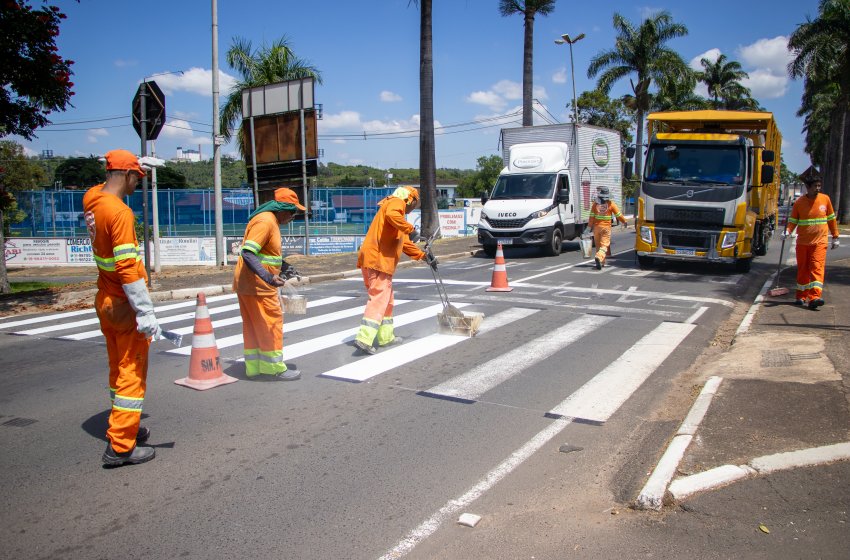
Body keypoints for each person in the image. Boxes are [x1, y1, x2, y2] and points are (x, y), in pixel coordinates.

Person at [83, 149, 163, 466]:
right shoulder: (120, 213)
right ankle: (120, 447)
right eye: (137, 178)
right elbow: (128, 269)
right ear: (127, 175)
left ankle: (124, 425)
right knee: (132, 371)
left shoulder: (92, 199)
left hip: (104, 300)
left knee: (117, 368)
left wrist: (132, 163)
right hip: (123, 304)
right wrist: (145, 312)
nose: (137, 184)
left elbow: (103, 184)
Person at [233, 187, 305, 380]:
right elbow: (248, 252)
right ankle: (273, 368)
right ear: (282, 210)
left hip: (249, 284)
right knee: (271, 324)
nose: (293, 217)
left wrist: (285, 266)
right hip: (259, 286)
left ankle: (255, 368)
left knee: (254, 327)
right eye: (292, 213)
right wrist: (268, 277)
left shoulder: (267, 220)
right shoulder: (266, 222)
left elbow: (265, 254)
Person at [354, 186, 431, 354]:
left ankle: (386, 337)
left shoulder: (396, 218)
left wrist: (424, 256)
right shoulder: (396, 203)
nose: (413, 209)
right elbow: (393, 216)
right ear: (410, 200)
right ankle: (364, 338)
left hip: (375, 260)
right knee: (379, 298)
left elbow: (404, 243)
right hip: (378, 260)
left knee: (387, 301)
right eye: (415, 205)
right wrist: (411, 229)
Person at [784, 174, 840, 308]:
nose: (818, 188)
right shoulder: (799, 203)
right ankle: (801, 296)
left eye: (819, 186)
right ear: (808, 187)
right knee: (803, 269)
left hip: (820, 242)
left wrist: (835, 236)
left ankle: (815, 297)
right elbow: (793, 220)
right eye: (815, 186)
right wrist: (787, 231)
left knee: (817, 267)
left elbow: (831, 219)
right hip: (802, 243)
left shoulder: (825, 199)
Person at [587, 186, 627, 269]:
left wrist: (588, 228)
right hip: (606, 228)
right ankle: (599, 257)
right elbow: (618, 215)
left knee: (598, 246)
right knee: (604, 245)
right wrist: (624, 221)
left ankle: (601, 262)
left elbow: (591, 217)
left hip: (596, 228)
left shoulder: (595, 204)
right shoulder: (610, 203)